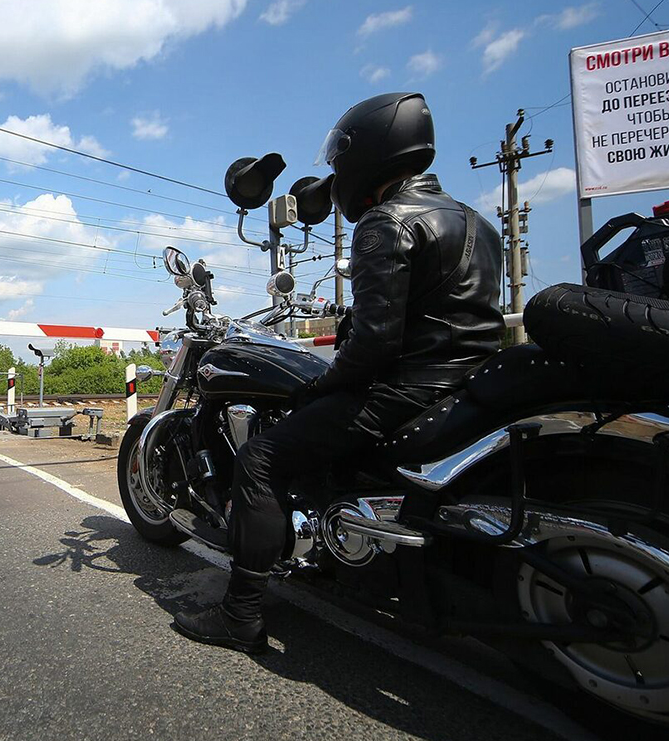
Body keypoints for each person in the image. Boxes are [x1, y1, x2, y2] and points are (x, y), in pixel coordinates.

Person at [173, 92, 506, 653]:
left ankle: (241, 614)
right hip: (463, 387)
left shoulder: (387, 221)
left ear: (368, 153)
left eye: (340, 162)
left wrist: (318, 386)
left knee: (260, 457)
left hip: (402, 390)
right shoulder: (477, 222)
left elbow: (375, 343)